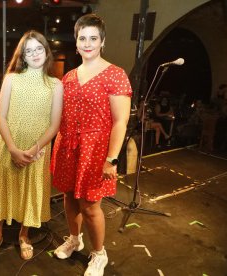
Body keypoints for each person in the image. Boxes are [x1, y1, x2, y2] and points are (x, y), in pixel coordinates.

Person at [50, 14, 132, 276]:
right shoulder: (69, 77)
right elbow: (61, 115)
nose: (87, 43)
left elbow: (120, 122)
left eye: (93, 38)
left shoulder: (115, 75)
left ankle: (99, 254)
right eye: (82, 38)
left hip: (95, 149)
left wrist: (112, 158)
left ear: (102, 41)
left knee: (89, 205)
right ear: (76, 43)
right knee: (68, 198)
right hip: (68, 145)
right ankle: (75, 239)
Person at [0, 30, 63, 260]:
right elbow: (0, 118)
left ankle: (24, 236)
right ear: (22, 56)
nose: (35, 54)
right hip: (9, 147)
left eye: (39, 48)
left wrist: (32, 150)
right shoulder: (12, 79)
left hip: (37, 152)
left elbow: (54, 125)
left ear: (46, 52)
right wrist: (14, 150)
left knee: (31, 192)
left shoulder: (55, 85)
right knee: (1, 189)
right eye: (29, 50)